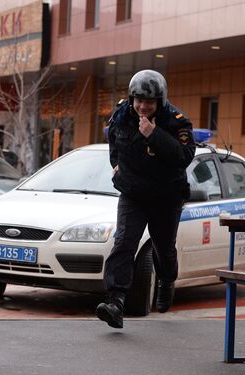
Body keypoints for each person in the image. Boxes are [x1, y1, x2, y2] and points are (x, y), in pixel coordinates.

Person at [96, 69, 195, 329]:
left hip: (166, 196)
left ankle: (166, 280)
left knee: (164, 248)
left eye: (149, 102)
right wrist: (116, 165)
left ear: (160, 101)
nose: (142, 106)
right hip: (133, 194)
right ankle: (115, 301)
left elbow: (184, 156)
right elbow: (114, 142)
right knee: (124, 243)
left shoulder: (177, 121)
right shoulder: (122, 114)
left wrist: (155, 135)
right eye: (138, 100)